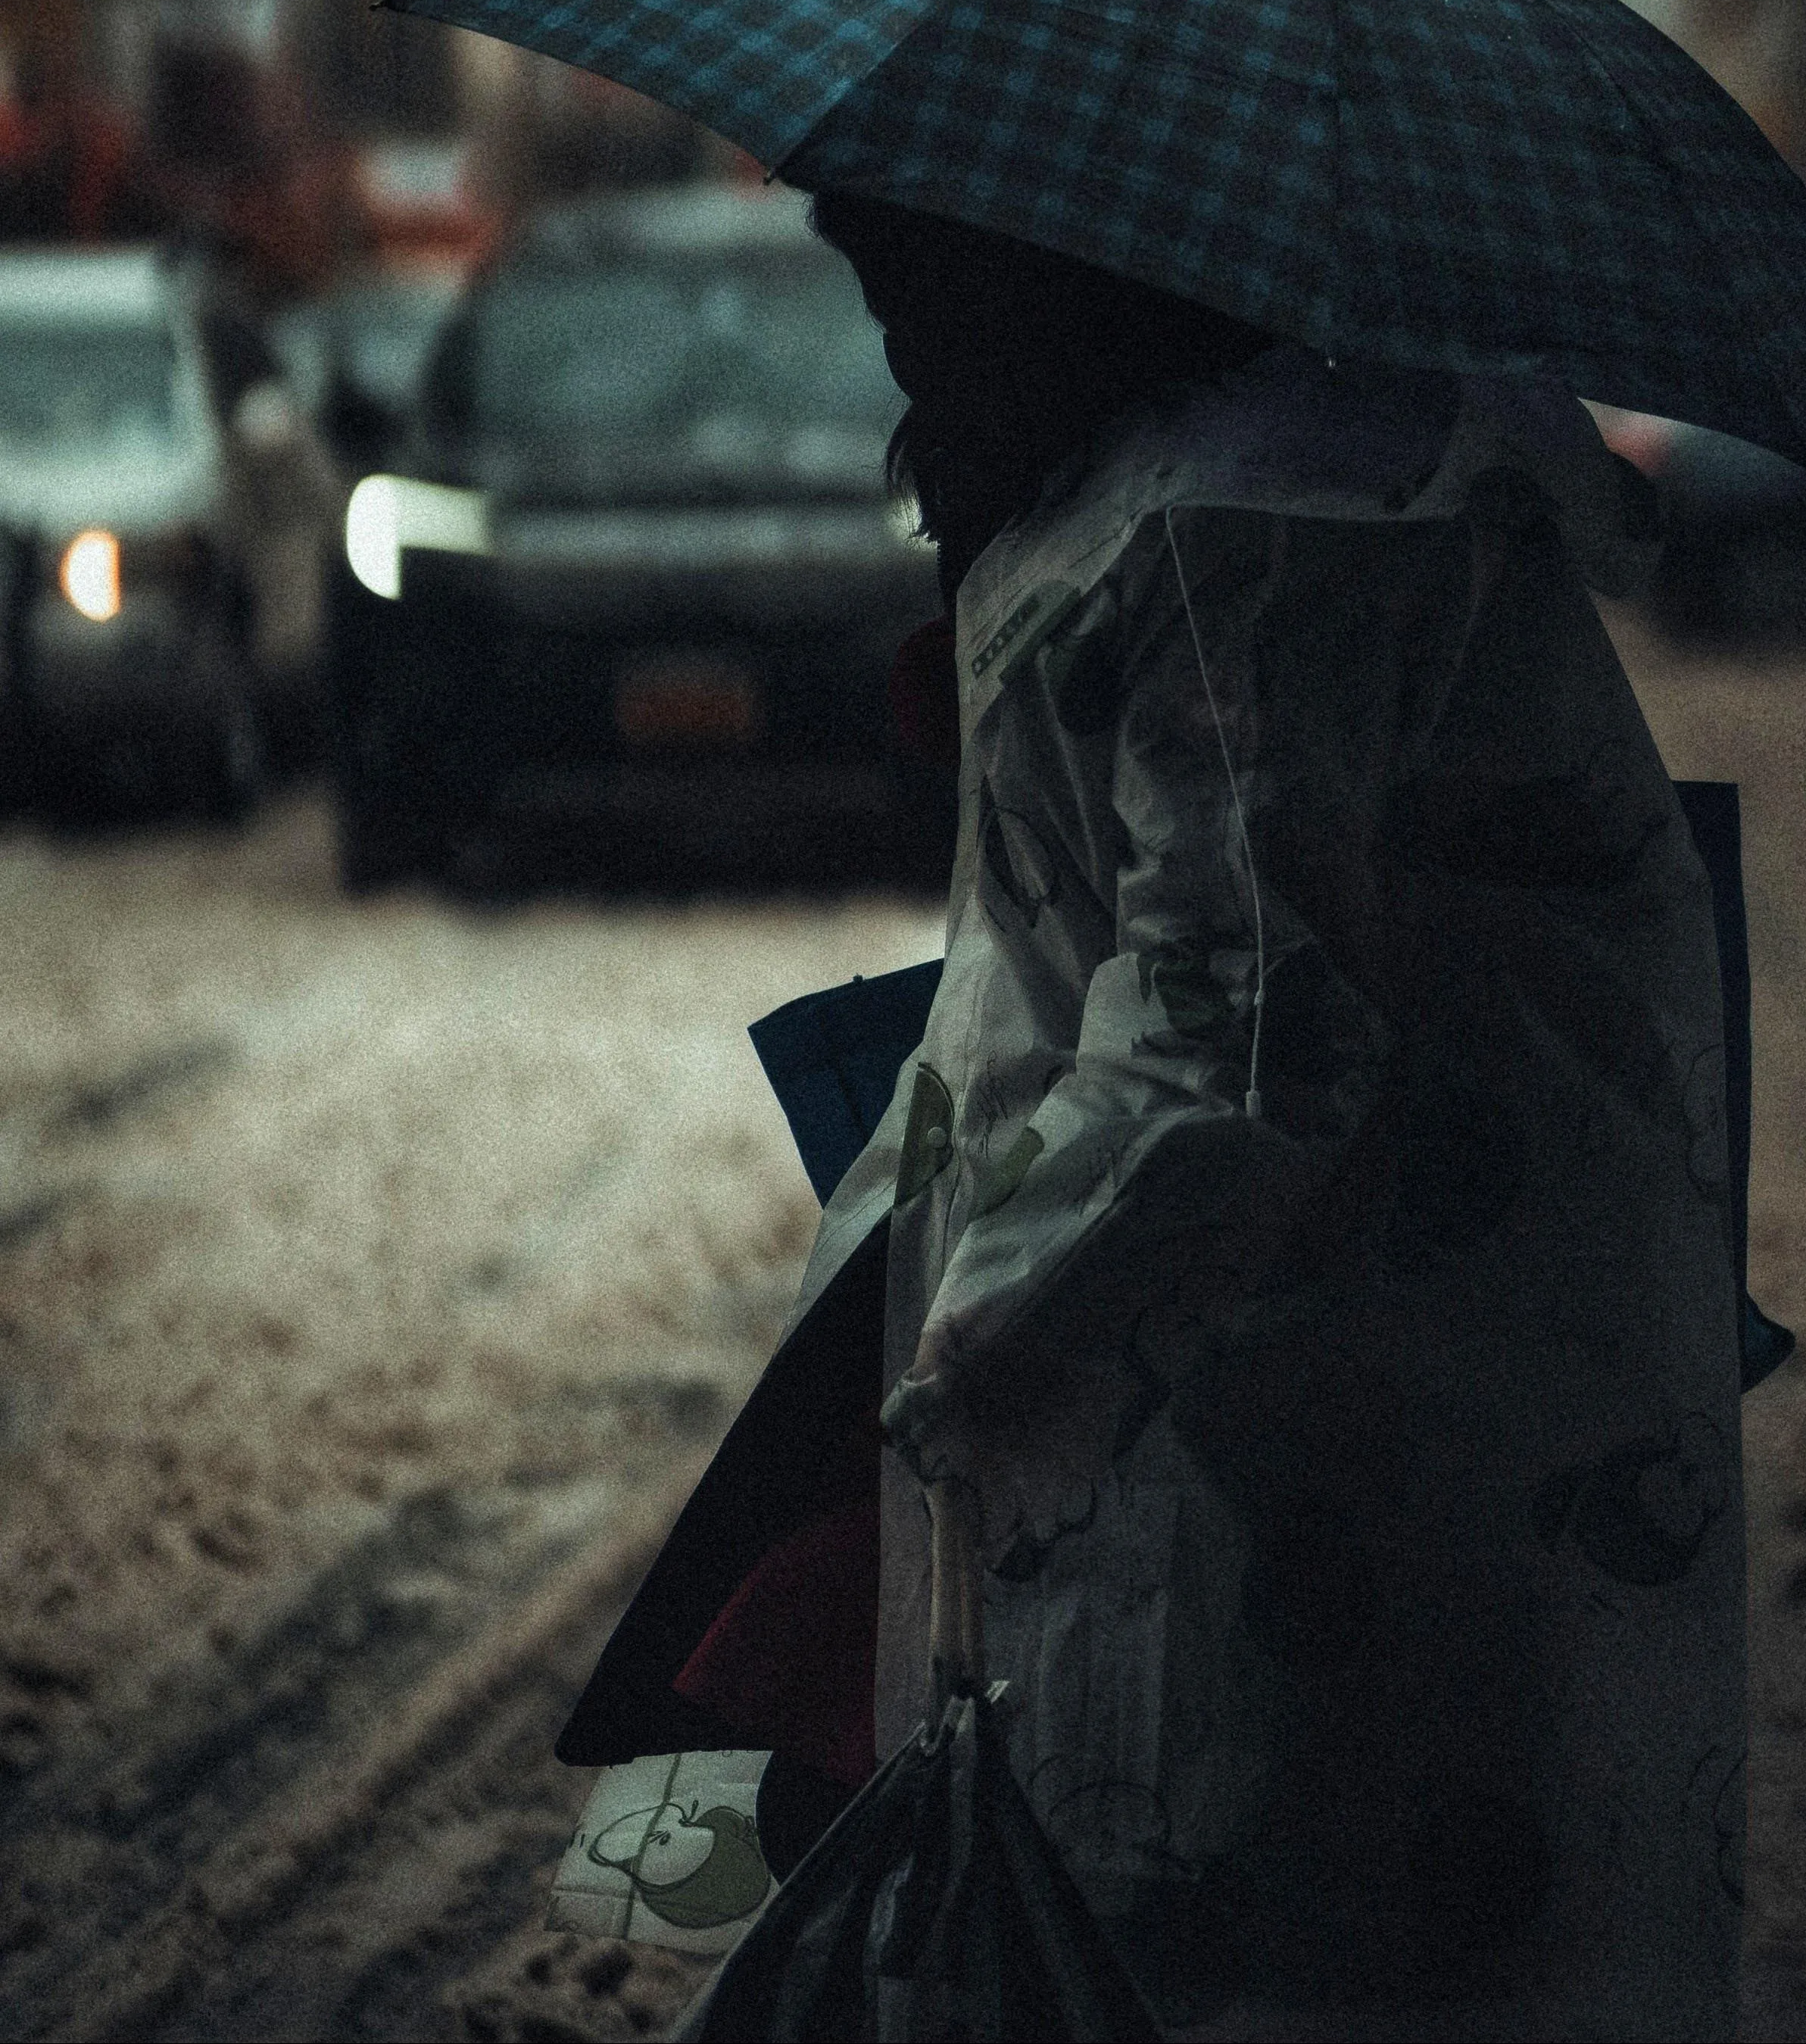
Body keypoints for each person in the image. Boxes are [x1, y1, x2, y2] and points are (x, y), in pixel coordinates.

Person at [575, 189, 1747, 2041]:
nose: (887, 314)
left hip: (1274, 1414)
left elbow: (1246, 1034)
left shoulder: (1242, 533)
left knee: (1246, 1928)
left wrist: (992, 1340)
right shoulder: (1211, 486)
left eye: (908, 260)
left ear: (1042, 253)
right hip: (1319, 1384)